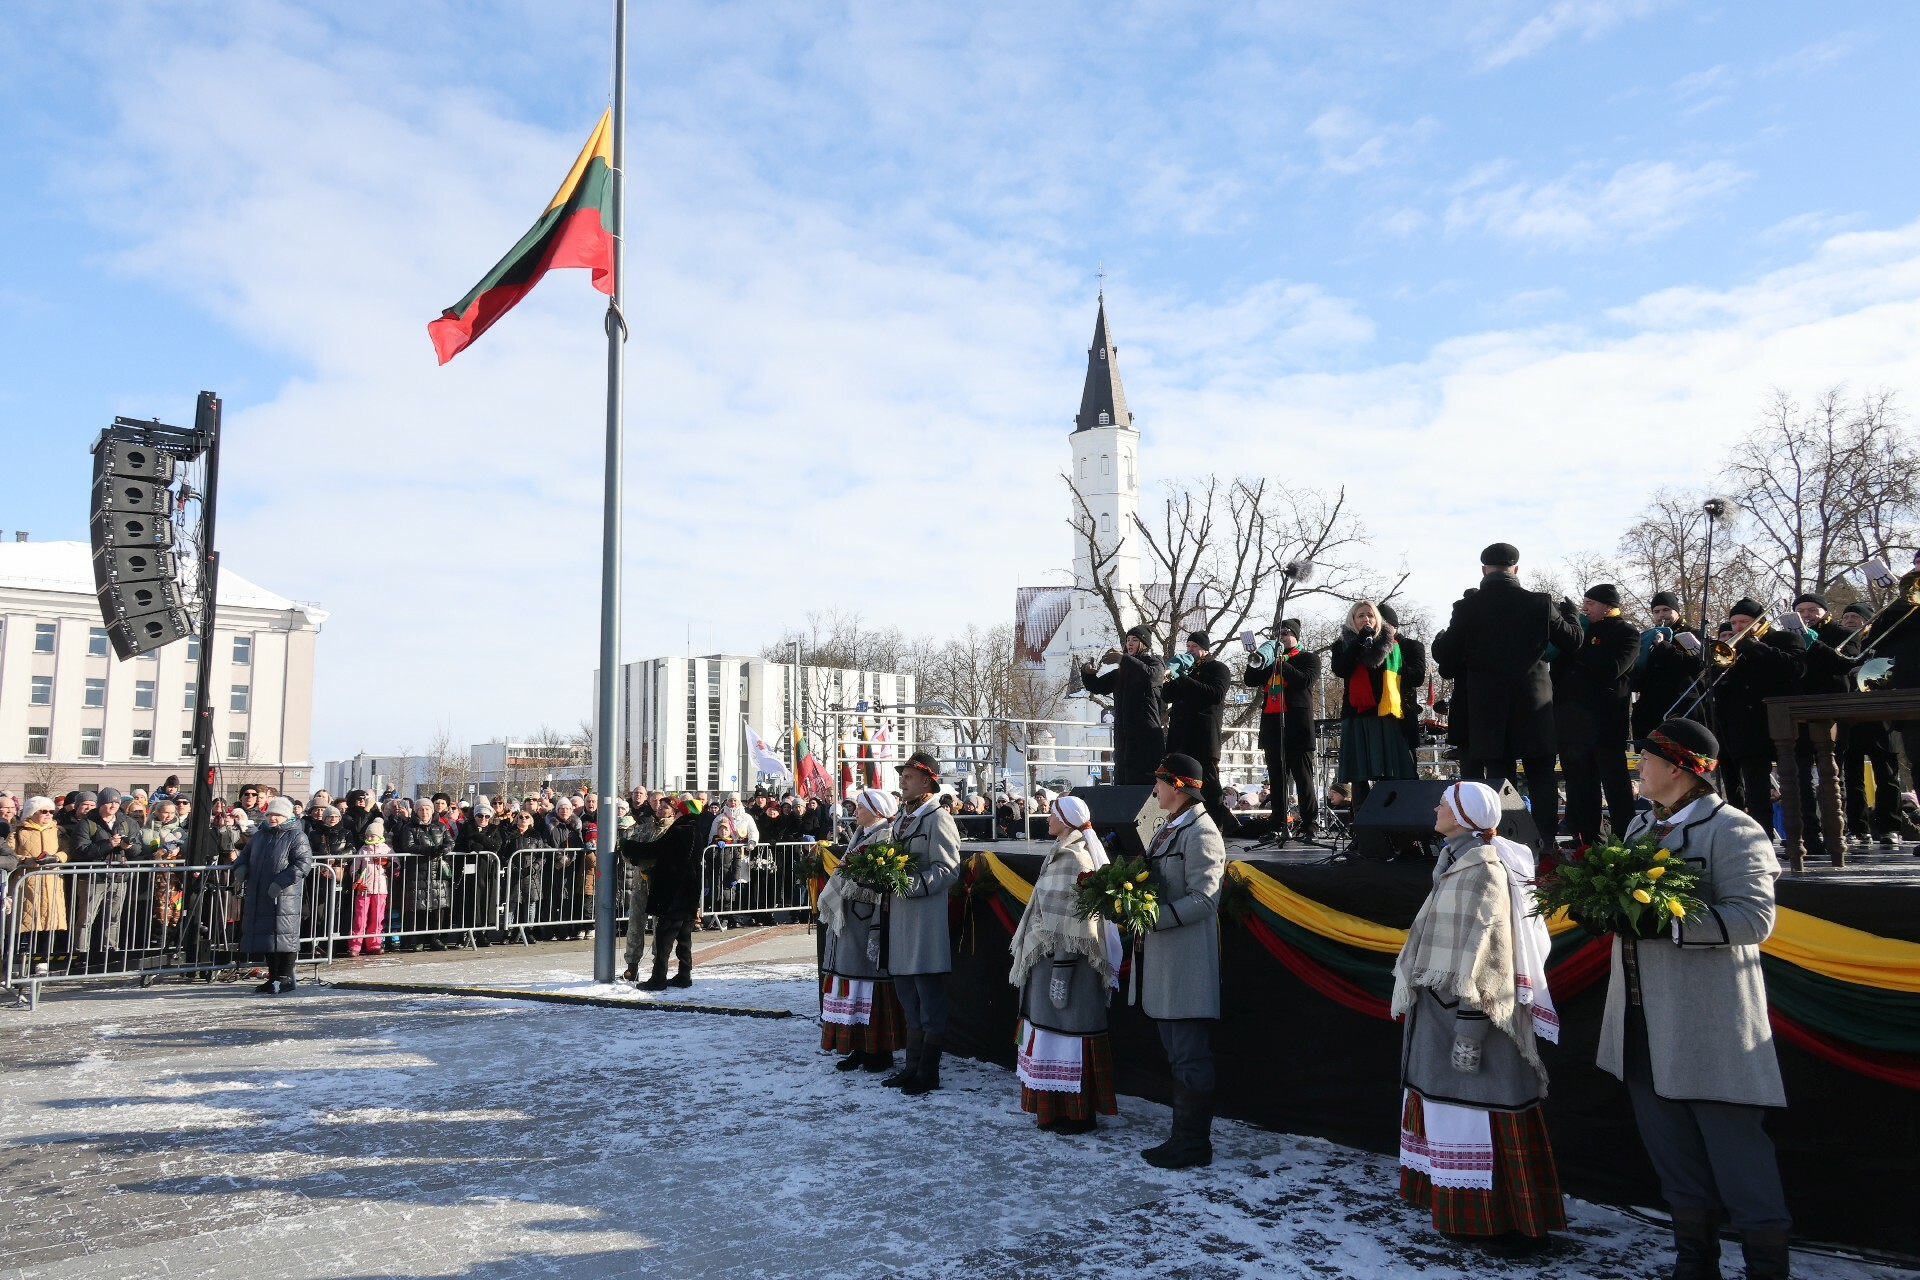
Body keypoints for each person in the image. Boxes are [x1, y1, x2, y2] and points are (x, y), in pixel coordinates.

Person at [1596, 719, 1790, 1280]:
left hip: (1709, 1026)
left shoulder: (1734, 830)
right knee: (1674, 1157)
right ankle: (1694, 1262)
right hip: (1641, 1022)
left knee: (1740, 1162)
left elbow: (1756, 919)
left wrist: (1672, 923)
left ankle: (1767, 1269)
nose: (1639, 767)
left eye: (1647, 759)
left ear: (1677, 768)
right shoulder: (1637, 830)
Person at [1391, 781, 1564, 1255]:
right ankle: (1472, 1219)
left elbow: (1489, 957)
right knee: (1459, 1117)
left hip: (1471, 1017)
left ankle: (1511, 1225)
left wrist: (1469, 1025)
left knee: (1483, 1118)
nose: (1435, 807)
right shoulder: (1456, 860)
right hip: (1444, 1013)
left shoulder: (1482, 869)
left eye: (1444, 803)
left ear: (1465, 816)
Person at [1430, 543, 1581, 839]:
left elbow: (1447, 655)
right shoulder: (1540, 602)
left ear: (1484, 570)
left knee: (1502, 779)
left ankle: (1510, 837)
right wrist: (1572, 616)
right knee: (1542, 775)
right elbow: (1572, 641)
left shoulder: (1467, 607)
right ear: (1516, 569)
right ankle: (1546, 842)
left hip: (1489, 707)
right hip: (1533, 703)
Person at [1009, 793, 1120, 1134]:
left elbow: (1076, 924)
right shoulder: (1061, 854)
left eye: (1052, 813)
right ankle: (1055, 1110)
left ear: (1067, 820)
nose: (1047, 818)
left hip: (1066, 967)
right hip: (1048, 962)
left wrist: (1063, 970)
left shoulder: (1075, 859)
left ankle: (1079, 1113)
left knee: (1069, 1036)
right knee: (1052, 1035)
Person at [1138, 753, 1226, 1169]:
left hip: (1186, 961)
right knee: (1178, 1054)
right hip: (1165, 958)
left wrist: (1152, 916)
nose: (1154, 791)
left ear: (1177, 786)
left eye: (1159, 783)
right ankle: (1183, 1137)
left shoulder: (1201, 831)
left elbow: (1205, 900)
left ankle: (1193, 1142)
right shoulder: (1169, 827)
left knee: (1189, 1055)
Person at [882, 751, 963, 1096]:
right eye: (902, 775)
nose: (903, 779)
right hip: (900, 921)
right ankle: (911, 1066)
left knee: (929, 1001)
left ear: (928, 781)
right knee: (907, 997)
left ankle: (928, 1071)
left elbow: (948, 869)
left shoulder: (938, 818)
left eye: (910, 776)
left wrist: (907, 885)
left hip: (925, 922)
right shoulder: (901, 818)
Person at [817, 788, 907, 1074]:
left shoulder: (886, 836)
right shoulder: (863, 834)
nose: (855, 812)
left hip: (867, 919)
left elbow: (881, 877)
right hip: (851, 917)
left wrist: (856, 883)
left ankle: (878, 1050)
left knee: (868, 982)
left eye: (860, 808)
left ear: (877, 811)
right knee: (850, 981)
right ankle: (857, 1045)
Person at [1553, 585, 1640, 846]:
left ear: (1607, 606)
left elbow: (1612, 668)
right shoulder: (1582, 632)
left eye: (1591, 603)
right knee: (1581, 787)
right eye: (1585, 603)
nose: (1585, 608)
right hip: (1574, 726)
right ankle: (1590, 842)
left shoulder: (1626, 632)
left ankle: (1626, 839)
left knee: (1615, 786)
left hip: (1606, 723)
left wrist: (1580, 644)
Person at [1710, 599, 1804, 839]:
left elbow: (1796, 668)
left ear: (1759, 621)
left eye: (1744, 621)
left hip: (1781, 725)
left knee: (1796, 787)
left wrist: (1756, 648)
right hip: (1747, 728)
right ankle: (1762, 839)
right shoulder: (1733, 649)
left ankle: (1805, 837)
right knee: (1755, 790)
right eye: (1734, 622)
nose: (1738, 627)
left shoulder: (1785, 639)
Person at [1329, 600, 1418, 807]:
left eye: (1370, 615)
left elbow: (1403, 677)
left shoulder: (1391, 645)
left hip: (1385, 715)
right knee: (1359, 778)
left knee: (1390, 776)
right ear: (1352, 619)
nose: (1366, 619)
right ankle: (1362, 831)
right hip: (1356, 716)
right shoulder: (1342, 645)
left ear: (1376, 619)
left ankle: (1391, 827)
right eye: (1360, 615)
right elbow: (1342, 669)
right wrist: (1358, 643)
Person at [1835, 602, 1910, 845]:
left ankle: (1890, 827)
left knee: (1886, 774)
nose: (1849, 621)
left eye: (1855, 616)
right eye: (1846, 616)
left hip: (1880, 716)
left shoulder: (1881, 642)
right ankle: (1858, 828)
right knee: (1852, 775)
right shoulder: (1842, 645)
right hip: (1850, 717)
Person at [1242, 619, 1322, 843]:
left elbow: (1304, 680)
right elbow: (1250, 680)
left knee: (1303, 778)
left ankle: (1310, 824)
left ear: (1296, 636)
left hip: (1297, 725)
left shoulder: (1308, 658)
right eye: (1277, 633)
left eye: (1286, 633)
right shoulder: (1269, 661)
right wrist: (1258, 658)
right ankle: (1277, 823)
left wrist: (1280, 662)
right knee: (1277, 780)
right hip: (1272, 724)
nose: (1281, 636)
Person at [1788, 592, 1853, 863]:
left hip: (1831, 710)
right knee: (1799, 777)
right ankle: (1810, 835)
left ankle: (1838, 832)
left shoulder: (1839, 632)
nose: (1807, 615)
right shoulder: (1790, 636)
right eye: (1801, 610)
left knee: (1832, 776)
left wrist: (1815, 645)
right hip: (1799, 713)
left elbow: (1847, 663)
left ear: (1824, 612)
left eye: (1813, 610)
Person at [233, 796, 313, 994]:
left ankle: (286, 977)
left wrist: (280, 882)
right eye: (270, 814)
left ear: (286, 816)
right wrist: (240, 869)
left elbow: (303, 864)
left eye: (277, 815)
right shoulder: (260, 836)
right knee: (267, 938)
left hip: (284, 895)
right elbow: (245, 855)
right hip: (261, 893)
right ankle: (273, 977)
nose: (273, 818)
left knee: (284, 936)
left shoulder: (296, 836)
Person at [1164, 631, 1238, 834]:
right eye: (1188, 646)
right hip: (1180, 734)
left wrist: (1183, 679)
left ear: (1205, 650)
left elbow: (1215, 694)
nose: (1190, 651)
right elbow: (1166, 695)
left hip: (1203, 735)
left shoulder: (1218, 668)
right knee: (1178, 780)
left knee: (1208, 782)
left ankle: (1217, 824)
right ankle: (1181, 824)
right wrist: (1172, 676)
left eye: (1194, 647)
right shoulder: (1184, 670)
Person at [629, 796, 705, 990]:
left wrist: (629, 846)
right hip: (689, 894)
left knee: (664, 938)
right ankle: (684, 974)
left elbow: (656, 849)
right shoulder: (697, 831)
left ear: (682, 812)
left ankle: (658, 978)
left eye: (678, 810)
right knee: (684, 938)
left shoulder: (680, 830)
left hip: (673, 894)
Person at [1079, 624, 1167, 784]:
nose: (1130, 644)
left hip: (1146, 736)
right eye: (1128, 640)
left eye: (1135, 640)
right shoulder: (1121, 672)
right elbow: (1097, 687)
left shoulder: (1154, 661)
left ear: (1144, 643)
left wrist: (1123, 659)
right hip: (1124, 738)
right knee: (1123, 784)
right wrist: (1087, 672)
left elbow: (1151, 677)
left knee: (1145, 783)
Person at [1631, 592, 1703, 739]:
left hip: (1681, 707)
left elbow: (1696, 666)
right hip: (1651, 710)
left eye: (1666, 610)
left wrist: (1663, 646)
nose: (1661, 615)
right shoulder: (1649, 636)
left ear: (1676, 611)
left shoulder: (1693, 634)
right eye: (1656, 612)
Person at [10, 797, 68, 977]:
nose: (48, 815)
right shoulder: (19, 831)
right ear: (32, 813)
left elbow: (67, 850)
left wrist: (58, 858)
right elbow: (10, 853)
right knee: (25, 924)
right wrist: (26, 860)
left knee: (48, 923)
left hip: (51, 882)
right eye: (44, 811)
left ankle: (42, 962)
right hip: (27, 884)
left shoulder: (58, 830)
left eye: (51, 811)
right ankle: (19, 963)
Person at [346, 818, 392, 957]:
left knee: (377, 918)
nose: (370, 838)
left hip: (380, 889)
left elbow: (396, 865)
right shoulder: (363, 850)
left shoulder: (387, 849)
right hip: (365, 888)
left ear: (379, 836)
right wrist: (357, 879)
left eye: (372, 835)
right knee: (360, 918)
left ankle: (374, 944)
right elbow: (355, 867)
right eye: (368, 835)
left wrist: (387, 863)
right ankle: (355, 945)